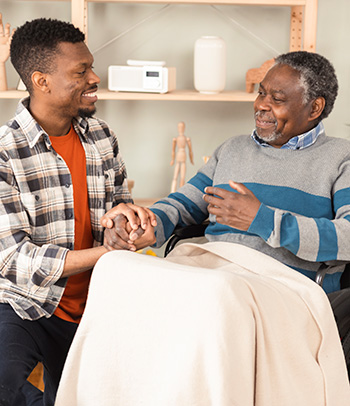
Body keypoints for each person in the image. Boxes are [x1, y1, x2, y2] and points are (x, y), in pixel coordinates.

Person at [102, 50, 350, 295]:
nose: (261, 105)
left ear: (315, 108)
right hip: (211, 268)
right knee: (116, 271)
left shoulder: (341, 157)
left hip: (279, 284)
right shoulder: (233, 148)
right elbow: (182, 205)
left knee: (215, 292)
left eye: (277, 99)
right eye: (261, 93)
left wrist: (263, 219)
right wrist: (145, 224)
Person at [0, 18, 133, 405]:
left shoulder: (101, 136)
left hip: (98, 305)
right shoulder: (6, 153)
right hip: (26, 306)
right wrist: (105, 254)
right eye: (81, 71)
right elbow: (10, 259)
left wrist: (124, 225)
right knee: (8, 385)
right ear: (41, 81)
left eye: (91, 66)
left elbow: (117, 205)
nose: (94, 78)